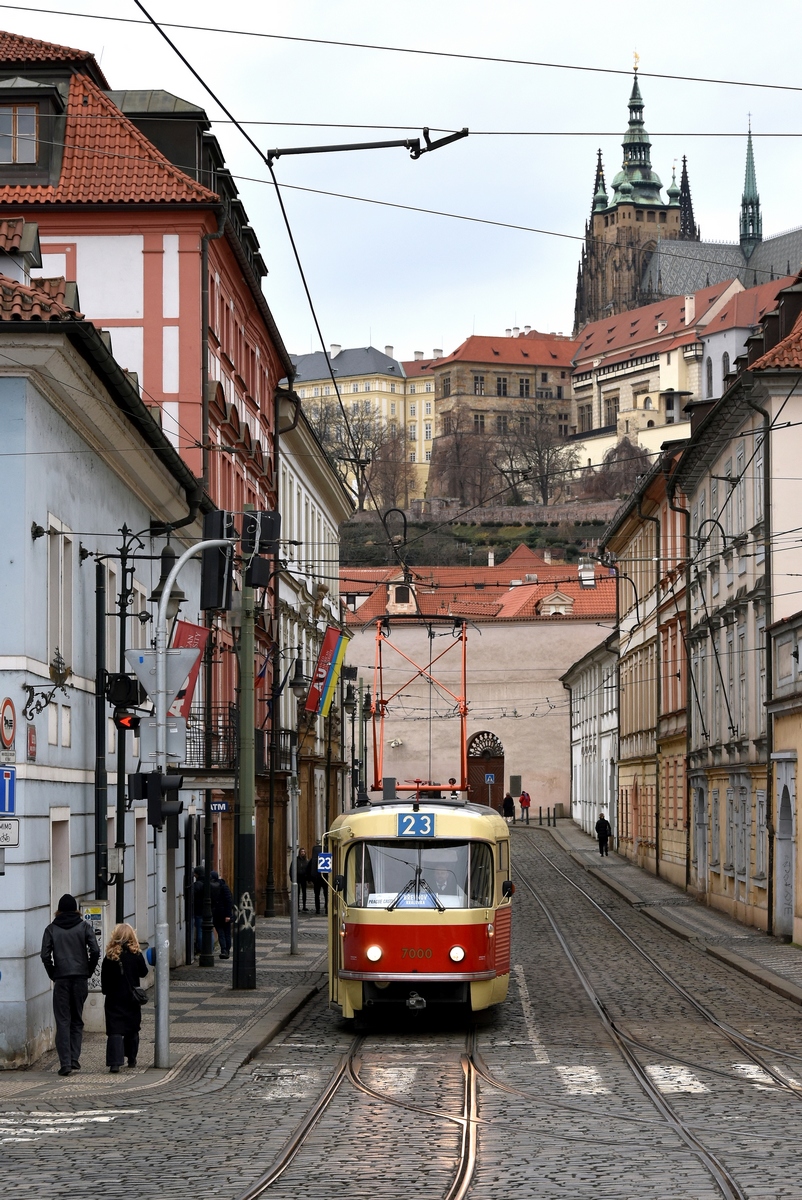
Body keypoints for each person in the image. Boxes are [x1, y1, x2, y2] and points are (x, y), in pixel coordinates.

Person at [40, 894, 100, 1076]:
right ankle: (74, 1058)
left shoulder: (51, 929)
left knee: (63, 1020)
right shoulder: (84, 927)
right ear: (76, 909)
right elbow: (95, 951)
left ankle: (65, 1063)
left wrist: (53, 973)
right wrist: (88, 969)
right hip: (80, 977)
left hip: (62, 979)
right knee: (77, 1020)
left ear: (58, 910)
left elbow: (45, 955)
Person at [101, 923, 148, 1073]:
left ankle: (115, 1063)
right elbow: (144, 972)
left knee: (114, 1030)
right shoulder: (136, 955)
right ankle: (132, 1058)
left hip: (114, 998)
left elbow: (104, 981)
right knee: (132, 1028)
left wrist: (108, 991)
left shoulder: (109, 956)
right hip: (131, 998)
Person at [210, 870, 233, 957]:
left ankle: (225, 950)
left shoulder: (223, 887)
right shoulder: (221, 886)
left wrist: (228, 915)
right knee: (222, 932)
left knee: (225, 932)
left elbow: (228, 901)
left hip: (222, 913)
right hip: (218, 914)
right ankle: (224, 950)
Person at [308, 843, 327, 915]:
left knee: (317, 895)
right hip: (324, 879)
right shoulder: (326, 858)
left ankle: (318, 909)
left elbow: (309, 869)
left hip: (317, 879)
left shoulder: (313, 859)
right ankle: (326, 908)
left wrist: (310, 878)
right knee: (325, 895)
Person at [192, 865, 205, 956]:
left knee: (200, 930)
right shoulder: (210, 882)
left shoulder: (197, 885)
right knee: (209, 930)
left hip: (199, 910)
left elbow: (193, 896)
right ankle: (209, 948)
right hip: (209, 911)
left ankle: (201, 949)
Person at [296, 848, 309, 913]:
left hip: (304, 878)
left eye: (304, 851)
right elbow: (292, 869)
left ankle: (304, 906)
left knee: (304, 892)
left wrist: (308, 877)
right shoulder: (296, 860)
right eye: (301, 851)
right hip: (297, 878)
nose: (303, 853)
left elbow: (308, 869)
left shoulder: (306, 861)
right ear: (299, 852)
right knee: (297, 893)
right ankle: (297, 906)